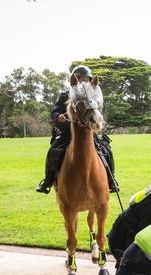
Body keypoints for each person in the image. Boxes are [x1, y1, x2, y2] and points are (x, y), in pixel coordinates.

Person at [36, 65, 119, 194]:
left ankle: (111, 180)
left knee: (107, 150)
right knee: (53, 151)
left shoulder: (93, 96)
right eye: (80, 79)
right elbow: (55, 112)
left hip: (89, 131)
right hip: (68, 132)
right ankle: (47, 181)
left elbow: (98, 112)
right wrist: (59, 117)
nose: (83, 81)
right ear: (75, 79)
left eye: (86, 79)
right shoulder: (65, 95)